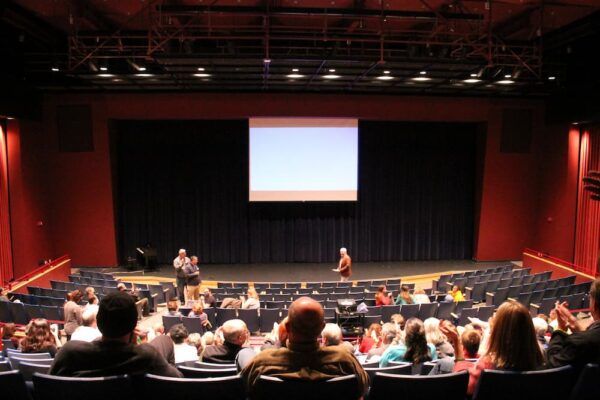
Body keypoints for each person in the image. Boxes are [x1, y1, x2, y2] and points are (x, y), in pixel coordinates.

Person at [241, 297, 368, 398]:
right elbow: (363, 387)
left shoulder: (262, 362)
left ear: (287, 327)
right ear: (322, 328)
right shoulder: (345, 360)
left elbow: (241, 389)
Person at [50, 291, 182, 377]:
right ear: (133, 325)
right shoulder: (147, 356)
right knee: (164, 340)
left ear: (98, 322)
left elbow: (48, 385)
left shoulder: (69, 352)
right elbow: (178, 379)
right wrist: (141, 346)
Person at [442, 301, 544, 396]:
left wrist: (456, 342)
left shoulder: (488, 364)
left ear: (498, 332)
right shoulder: (542, 362)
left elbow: (462, 386)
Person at [547, 278, 600, 370]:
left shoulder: (579, 342)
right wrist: (580, 330)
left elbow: (553, 365)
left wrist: (560, 330)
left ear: (594, 303)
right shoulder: (583, 339)